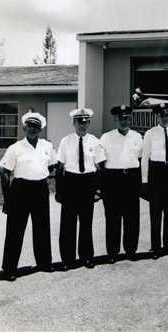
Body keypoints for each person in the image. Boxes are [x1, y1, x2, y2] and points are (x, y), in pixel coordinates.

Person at [0, 111, 57, 281]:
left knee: (42, 227)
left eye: (36, 126)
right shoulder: (15, 148)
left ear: (41, 129)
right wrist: (7, 198)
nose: (33, 129)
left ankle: (44, 263)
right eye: (30, 126)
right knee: (15, 230)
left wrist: (38, 174)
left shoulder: (47, 146)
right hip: (20, 189)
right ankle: (9, 268)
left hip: (40, 188)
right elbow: (5, 174)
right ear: (24, 127)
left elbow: (52, 165)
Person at [56, 108, 106, 270]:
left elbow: (99, 168)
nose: (82, 126)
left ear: (89, 123)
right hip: (70, 182)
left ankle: (86, 257)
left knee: (86, 223)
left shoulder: (95, 141)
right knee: (68, 223)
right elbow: (60, 167)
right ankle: (67, 259)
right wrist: (59, 190)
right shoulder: (66, 141)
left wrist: (98, 190)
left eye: (85, 122)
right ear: (74, 123)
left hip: (87, 183)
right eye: (79, 122)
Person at [100, 105, 143, 263]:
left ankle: (131, 250)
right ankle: (112, 252)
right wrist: (101, 185)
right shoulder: (106, 138)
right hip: (112, 180)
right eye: (120, 118)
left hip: (131, 179)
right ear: (115, 119)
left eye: (126, 118)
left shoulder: (137, 137)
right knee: (113, 217)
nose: (123, 121)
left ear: (130, 119)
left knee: (132, 217)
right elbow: (100, 162)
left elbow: (141, 159)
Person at [141, 104, 168, 259]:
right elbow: (145, 158)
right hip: (156, 172)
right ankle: (156, 248)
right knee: (156, 211)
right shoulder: (150, 134)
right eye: (162, 115)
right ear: (157, 117)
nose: (165, 118)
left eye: (167, 115)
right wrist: (144, 180)